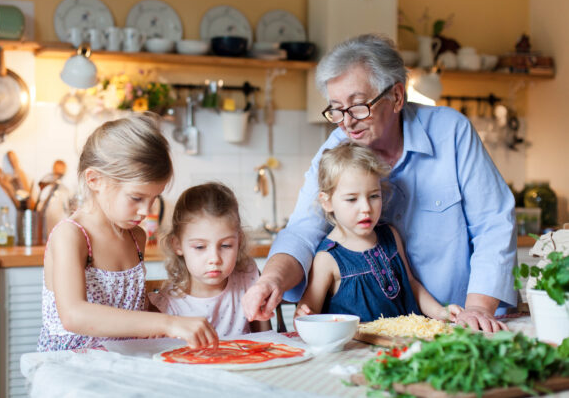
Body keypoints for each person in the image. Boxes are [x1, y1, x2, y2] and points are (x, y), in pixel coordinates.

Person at [243, 34, 517, 332]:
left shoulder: (451, 131)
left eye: (359, 106)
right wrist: (271, 279)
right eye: (336, 108)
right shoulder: (337, 149)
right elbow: (302, 230)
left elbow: (494, 223)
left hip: (463, 321)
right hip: (381, 335)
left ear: (397, 96)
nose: (347, 122)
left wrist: (477, 308)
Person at [37, 114, 218, 352]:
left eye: (154, 198)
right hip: (70, 368)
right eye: (136, 198)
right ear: (95, 179)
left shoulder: (136, 236)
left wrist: (187, 316)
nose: (147, 210)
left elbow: (134, 308)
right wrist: (169, 323)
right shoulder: (72, 236)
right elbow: (74, 315)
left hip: (121, 361)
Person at [294, 141, 469, 325]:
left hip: (404, 345)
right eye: (352, 199)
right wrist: (304, 314)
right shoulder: (327, 258)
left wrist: (440, 312)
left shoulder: (390, 235)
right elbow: (310, 310)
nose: (366, 208)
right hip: (357, 351)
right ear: (327, 202)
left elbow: (411, 284)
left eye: (374, 196)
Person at [150, 182, 271, 336]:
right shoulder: (168, 306)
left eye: (226, 245)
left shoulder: (249, 277)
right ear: (177, 245)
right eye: (200, 247)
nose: (214, 259)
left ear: (239, 240)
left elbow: (267, 339)